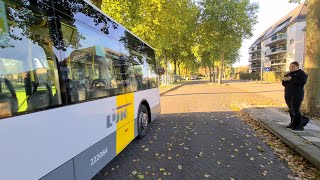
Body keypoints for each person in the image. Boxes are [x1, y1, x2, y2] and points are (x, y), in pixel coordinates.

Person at [282, 61, 308, 131]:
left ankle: (299, 125)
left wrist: (292, 79)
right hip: (288, 94)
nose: (291, 68)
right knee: (291, 110)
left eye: (293, 66)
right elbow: (284, 84)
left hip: (297, 94)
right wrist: (284, 80)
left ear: (297, 66)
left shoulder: (302, 74)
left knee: (295, 109)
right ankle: (293, 123)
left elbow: (302, 82)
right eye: (290, 66)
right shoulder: (289, 74)